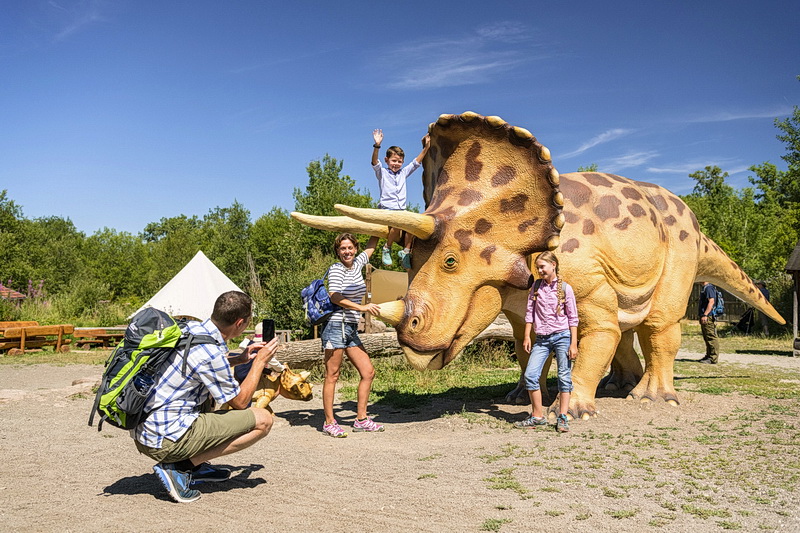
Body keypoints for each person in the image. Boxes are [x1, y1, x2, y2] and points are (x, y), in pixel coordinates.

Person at [133, 291, 279, 503]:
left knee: (206, 396)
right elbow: (240, 402)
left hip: (146, 427)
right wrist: (259, 363)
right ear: (239, 323)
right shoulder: (210, 351)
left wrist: (239, 359)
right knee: (263, 420)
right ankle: (180, 467)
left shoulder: (191, 329)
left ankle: (196, 466)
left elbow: (203, 362)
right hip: (164, 440)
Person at [321, 232, 384, 437]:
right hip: (336, 326)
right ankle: (329, 422)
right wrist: (362, 307)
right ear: (337, 252)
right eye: (342, 248)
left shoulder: (358, 264)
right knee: (333, 375)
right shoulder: (336, 269)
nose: (346, 252)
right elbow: (335, 296)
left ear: (355, 249)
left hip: (349, 327)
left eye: (350, 248)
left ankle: (361, 419)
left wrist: (380, 222)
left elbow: (373, 244)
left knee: (368, 372)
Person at [515, 251, 578, 433]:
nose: (540, 270)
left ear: (553, 265)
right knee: (530, 375)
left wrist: (573, 343)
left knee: (564, 377)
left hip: (562, 336)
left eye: (542, 267)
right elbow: (529, 313)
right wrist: (527, 335)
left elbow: (573, 319)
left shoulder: (566, 289)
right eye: (538, 267)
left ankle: (563, 417)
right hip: (541, 339)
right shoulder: (536, 287)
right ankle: (537, 416)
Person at [371, 128, 431, 269]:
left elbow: (416, 163)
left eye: (399, 161)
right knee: (397, 225)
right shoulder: (382, 173)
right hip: (387, 210)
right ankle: (387, 248)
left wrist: (427, 147)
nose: (396, 164)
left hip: (401, 209)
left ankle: (406, 252)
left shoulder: (403, 173)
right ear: (387, 160)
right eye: (393, 161)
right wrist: (377, 145)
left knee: (412, 224)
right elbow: (374, 161)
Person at [698, 281, 720, 364]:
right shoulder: (705, 288)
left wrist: (705, 314)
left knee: (711, 337)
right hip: (705, 316)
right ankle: (708, 355)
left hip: (708, 316)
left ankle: (713, 358)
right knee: (706, 337)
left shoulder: (709, 288)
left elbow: (711, 301)